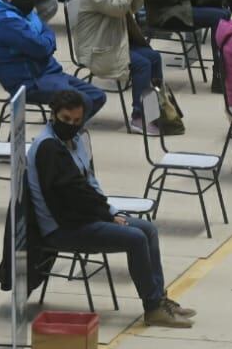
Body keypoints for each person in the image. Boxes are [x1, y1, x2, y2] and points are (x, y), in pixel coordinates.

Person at [25, 90, 193, 327]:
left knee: (148, 229)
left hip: (83, 216)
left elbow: (89, 182)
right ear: (53, 115)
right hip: (63, 227)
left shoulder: (77, 138)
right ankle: (152, 307)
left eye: (76, 121)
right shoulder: (48, 149)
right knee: (135, 238)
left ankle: (159, 297)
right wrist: (105, 216)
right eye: (65, 119)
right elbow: (71, 197)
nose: (71, 125)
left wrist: (111, 212)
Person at [74, 0, 165, 133]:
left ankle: (154, 110)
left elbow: (133, 6)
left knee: (153, 57)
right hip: (99, 47)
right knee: (141, 64)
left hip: (116, 39)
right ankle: (138, 116)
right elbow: (118, 8)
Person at [0, 0, 106, 116]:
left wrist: (45, 41)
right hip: (29, 83)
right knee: (82, 101)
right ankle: (59, 134)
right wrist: (46, 41)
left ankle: (64, 130)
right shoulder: (6, 22)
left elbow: (47, 34)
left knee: (97, 96)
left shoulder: (25, 13)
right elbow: (41, 48)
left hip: (49, 73)